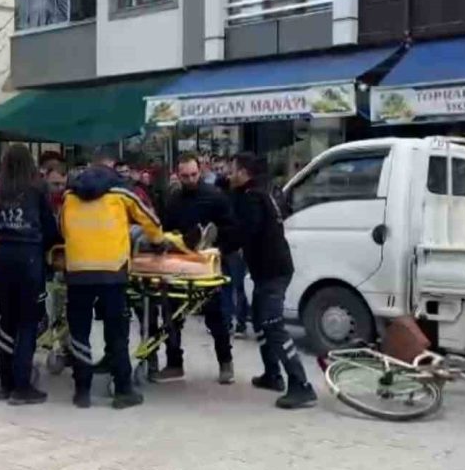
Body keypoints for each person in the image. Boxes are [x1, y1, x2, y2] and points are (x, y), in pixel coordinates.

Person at [60, 146, 165, 410]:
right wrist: (158, 242)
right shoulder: (121, 190)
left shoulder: (70, 193)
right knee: (116, 331)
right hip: (112, 272)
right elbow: (149, 219)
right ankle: (123, 391)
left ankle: (82, 392)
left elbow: (62, 226)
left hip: (78, 271)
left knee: (79, 332)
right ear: (111, 165)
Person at [224, 153, 317, 409]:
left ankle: (301, 386)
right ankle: (272, 375)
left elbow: (243, 233)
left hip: (273, 272)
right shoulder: (258, 193)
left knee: (273, 325)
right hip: (269, 270)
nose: (228, 175)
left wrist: (217, 248)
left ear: (244, 173)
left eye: (231, 170)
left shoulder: (252, 198)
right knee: (261, 320)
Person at [156, 153, 236, 384]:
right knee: (171, 316)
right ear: (177, 175)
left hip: (206, 266)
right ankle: (174, 364)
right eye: (185, 176)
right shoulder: (173, 199)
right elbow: (164, 229)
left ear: (200, 171)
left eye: (193, 174)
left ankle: (225, 362)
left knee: (215, 317)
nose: (190, 179)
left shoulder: (215, 197)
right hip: (179, 265)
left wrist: (217, 249)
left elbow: (230, 228)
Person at [0, 144, 60, 406]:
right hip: (29, 257)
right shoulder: (36, 188)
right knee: (28, 322)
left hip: (3, 256)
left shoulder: (0, 190)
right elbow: (48, 226)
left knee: (7, 321)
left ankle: (4, 382)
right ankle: (22, 386)